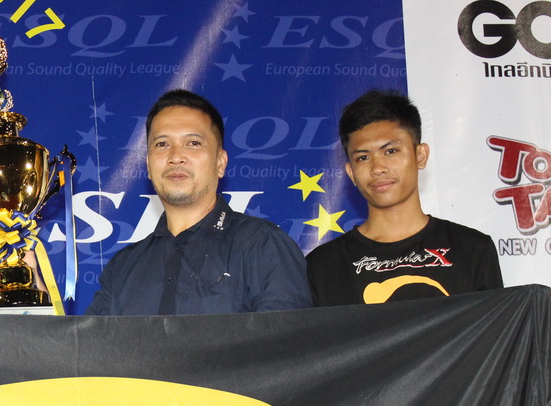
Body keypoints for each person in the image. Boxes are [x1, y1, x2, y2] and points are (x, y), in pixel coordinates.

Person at [85, 89, 310, 316]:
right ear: (148, 166)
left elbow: (286, 337)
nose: (176, 156)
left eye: (193, 143)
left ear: (220, 163)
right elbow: (90, 339)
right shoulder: (123, 267)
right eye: (162, 144)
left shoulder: (262, 245)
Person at [307, 90, 502, 306]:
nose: (378, 168)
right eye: (363, 157)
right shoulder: (322, 266)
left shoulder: (473, 250)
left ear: (420, 156)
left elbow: (496, 327)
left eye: (390, 151)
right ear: (351, 172)